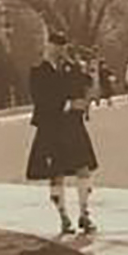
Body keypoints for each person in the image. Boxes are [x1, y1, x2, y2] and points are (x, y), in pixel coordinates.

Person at [25, 31, 99, 235]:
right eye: (56, 46)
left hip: (73, 126)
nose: (59, 50)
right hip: (51, 127)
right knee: (56, 174)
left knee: (83, 169)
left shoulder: (72, 68)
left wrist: (90, 75)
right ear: (48, 46)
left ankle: (84, 214)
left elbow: (84, 88)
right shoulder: (38, 72)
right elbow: (40, 99)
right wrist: (67, 104)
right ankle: (64, 217)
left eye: (62, 46)